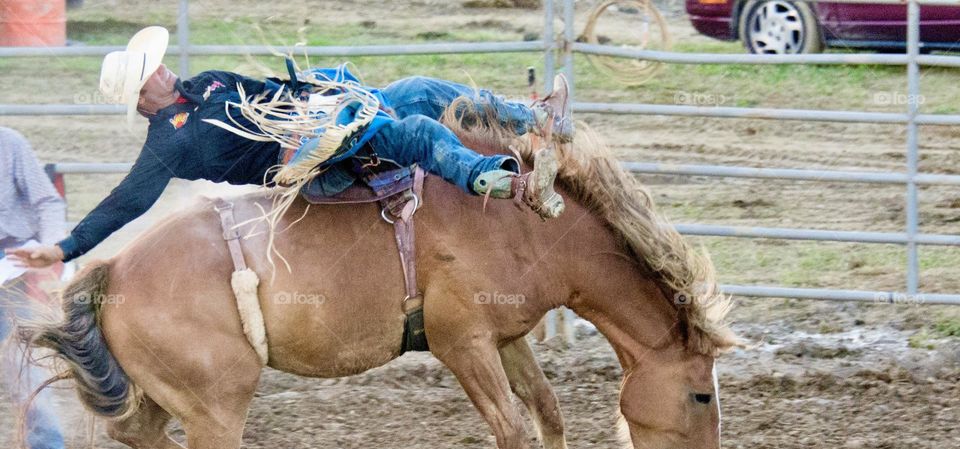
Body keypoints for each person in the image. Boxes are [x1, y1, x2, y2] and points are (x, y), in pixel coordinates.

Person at [7, 26, 574, 269]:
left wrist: (322, 91)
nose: (160, 68)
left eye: (153, 62)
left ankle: (536, 117)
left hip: (324, 116)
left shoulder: (206, 81)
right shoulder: (166, 147)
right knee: (418, 135)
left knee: (420, 91)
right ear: (142, 97)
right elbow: (124, 202)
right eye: (148, 71)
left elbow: (271, 92)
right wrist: (63, 249)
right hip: (305, 161)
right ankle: (508, 183)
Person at [0, 126, 71, 449]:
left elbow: (48, 202)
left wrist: (49, 253)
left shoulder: (9, 143)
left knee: (20, 365)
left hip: (13, 262)